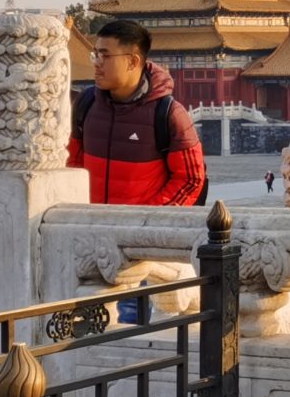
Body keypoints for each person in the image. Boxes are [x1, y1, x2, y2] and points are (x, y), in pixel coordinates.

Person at [70, 19, 207, 320]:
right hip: (89, 245)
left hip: (138, 257)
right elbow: (72, 163)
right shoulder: (86, 105)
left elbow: (190, 179)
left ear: (133, 61)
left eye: (105, 55)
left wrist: (144, 223)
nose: (96, 63)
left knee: (132, 336)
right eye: (96, 54)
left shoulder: (168, 114)